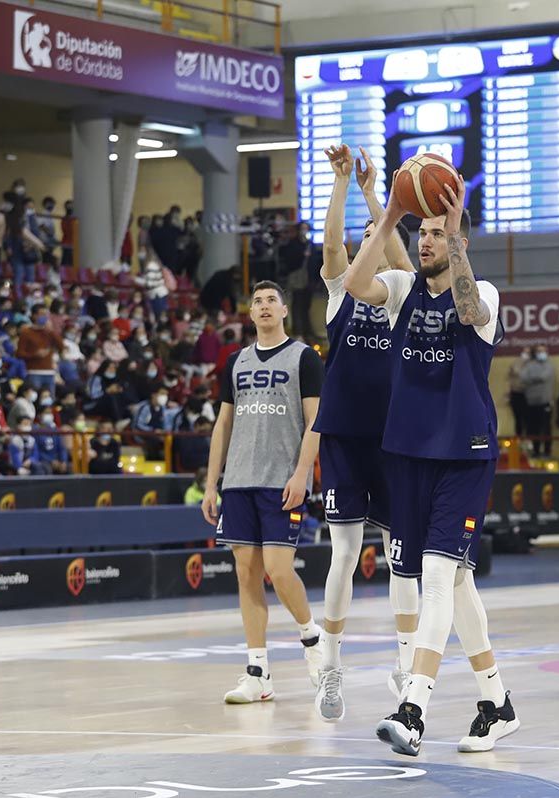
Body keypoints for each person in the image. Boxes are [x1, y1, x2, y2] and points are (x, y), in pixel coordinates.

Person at [344, 173, 519, 756]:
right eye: (422, 232)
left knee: (439, 578)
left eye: (437, 234)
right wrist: (390, 214)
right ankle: (497, 703)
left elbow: (468, 312)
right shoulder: (399, 289)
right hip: (409, 452)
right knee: (458, 581)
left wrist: (459, 232)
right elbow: (352, 281)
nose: (426, 241)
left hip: (464, 453)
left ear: (458, 243)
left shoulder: (484, 294)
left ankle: (412, 709)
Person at [311, 144, 418, 722]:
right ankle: (330, 666)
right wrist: (342, 182)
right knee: (345, 553)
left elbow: (405, 257)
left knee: (402, 557)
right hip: (346, 438)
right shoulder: (340, 294)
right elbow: (332, 247)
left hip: (394, 439)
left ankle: (406, 672)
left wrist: (385, 199)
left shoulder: (401, 295)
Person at [200, 280, 327, 705]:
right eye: (258, 301)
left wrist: (301, 473)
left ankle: (312, 638)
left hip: (282, 479)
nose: (265, 306)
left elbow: (316, 422)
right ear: (250, 314)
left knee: (278, 567)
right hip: (238, 480)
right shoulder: (235, 362)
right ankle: (257, 672)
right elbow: (223, 425)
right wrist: (210, 482)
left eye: (272, 300)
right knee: (246, 573)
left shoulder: (304, 358)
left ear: (285, 310)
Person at [520, 343, 555, 457]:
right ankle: (535, 451)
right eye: (539, 351)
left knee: (546, 428)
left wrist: (533, 379)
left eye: (543, 351)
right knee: (533, 428)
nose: (541, 353)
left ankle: (547, 451)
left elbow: (544, 376)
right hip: (531, 403)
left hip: (545, 402)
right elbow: (523, 378)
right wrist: (536, 379)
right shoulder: (529, 365)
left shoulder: (549, 365)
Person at [506, 348, 531, 438]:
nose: (526, 354)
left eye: (528, 352)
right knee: (518, 419)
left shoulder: (531, 364)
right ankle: (519, 439)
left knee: (528, 420)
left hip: (528, 394)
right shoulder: (516, 362)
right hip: (516, 393)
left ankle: (528, 440)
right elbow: (509, 377)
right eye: (525, 352)